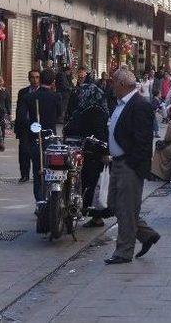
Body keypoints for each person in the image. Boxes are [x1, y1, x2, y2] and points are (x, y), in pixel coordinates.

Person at [103, 68, 160, 265]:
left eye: (113, 82)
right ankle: (146, 234)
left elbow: (143, 141)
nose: (111, 86)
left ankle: (123, 252)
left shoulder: (139, 105)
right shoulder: (120, 104)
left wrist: (132, 164)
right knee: (114, 205)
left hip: (129, 164)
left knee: (127, 209)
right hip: (116, 162)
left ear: (122, 84)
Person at [64, 74, 109, 228]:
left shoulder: (92, 111)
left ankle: (93, 215)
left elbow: (76, 128)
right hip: (90, 152)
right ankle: (91, 214)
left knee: (91, 184)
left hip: (92, 154)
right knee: (91, 184)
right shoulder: (98, 109)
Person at [27, 68, 61, 202]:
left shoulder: (30, 97)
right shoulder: (56, 96)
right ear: (52, 81)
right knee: (52, 170)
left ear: (40, 79)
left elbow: (25, 119)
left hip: (36, 137)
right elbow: (59, 115)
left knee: (38, 171)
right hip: (50, 136)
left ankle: (40, 201)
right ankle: (51, 198)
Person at [15, 70, 40, 182]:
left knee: (37, 151)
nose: (35, 80)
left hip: (38, 127)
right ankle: (24, 174)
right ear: (29, 78)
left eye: (37, 77)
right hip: (25, 126)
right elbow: (18, 110)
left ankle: (38, 174)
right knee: (24, 151)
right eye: (32, 77)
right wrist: (17, 127)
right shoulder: (23, 92)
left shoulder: (43, 93)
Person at [151, 105, 171, 181]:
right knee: (165, 149)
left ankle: (159, 173)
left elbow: (167, 138)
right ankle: (170, 174)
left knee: (159, 148)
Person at [0, 76, 10, 152]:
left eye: (1, 80)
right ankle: (1, 142)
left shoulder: (5, 91)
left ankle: (1, 142)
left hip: (2, 112)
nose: (0, 81)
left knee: (2, 128)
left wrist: (9, 113)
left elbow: (7, 102)